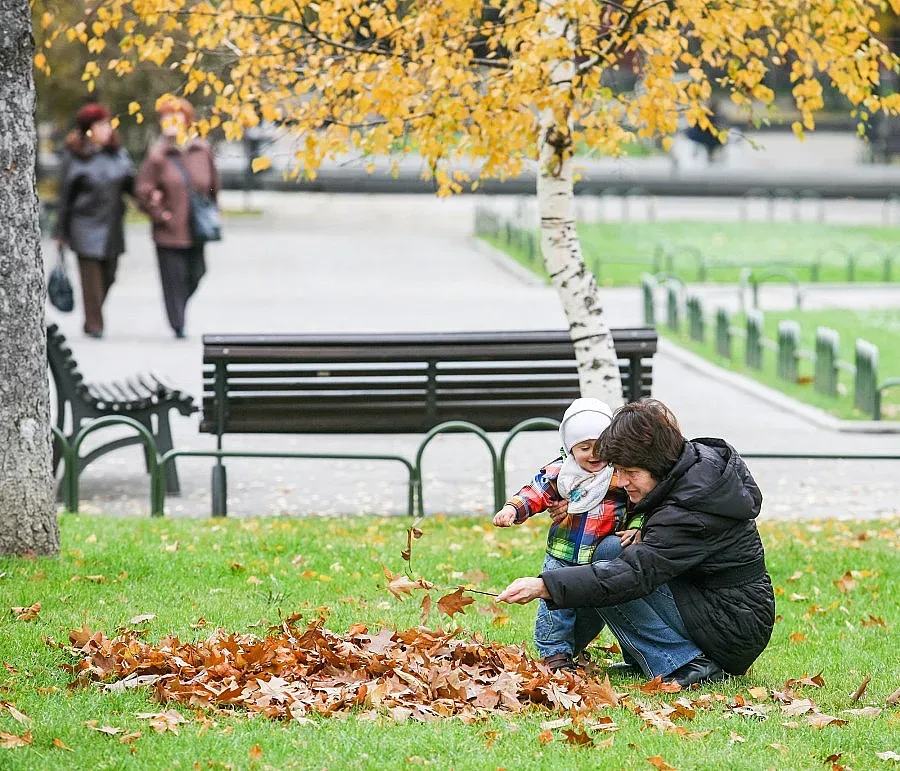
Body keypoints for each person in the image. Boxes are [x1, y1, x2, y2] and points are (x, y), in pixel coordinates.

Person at [497, 398, 775, 688]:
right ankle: (638, 656)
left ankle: (684, 661)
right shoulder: (685, 469)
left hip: (732, 628)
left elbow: (634, 574)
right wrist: (576, 502)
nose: (622, 481)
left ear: (656, 464)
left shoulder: (691, 508)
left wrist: (546, 585)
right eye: (619, 471)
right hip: (723, 605)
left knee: (613, 570)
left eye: (631, 473)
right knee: (607, 550)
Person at [492, 398, 630, 671]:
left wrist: (635, 524)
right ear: (570, 448)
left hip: (603, 552)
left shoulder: (617, 474)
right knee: (556, 605)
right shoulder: (561, 472)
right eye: (584, 448)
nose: (594, 454)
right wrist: (513, 508)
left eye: (601, 446)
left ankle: (618, 651)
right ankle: (554, 653)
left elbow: (638, 503)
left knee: (607, 604)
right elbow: (535, 491)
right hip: (564, 551)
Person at [136, 96, 218, 339]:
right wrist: (160, 213)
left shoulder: (201, 150)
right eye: (165, 117)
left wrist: (214, 212)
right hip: (169, 229)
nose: (170, 121)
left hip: (197, 227)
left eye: (175, 116)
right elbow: (142, 190)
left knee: (198, 271)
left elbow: (214, 185)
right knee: (173, 279)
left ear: (187, 120)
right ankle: (178, 323)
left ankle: (179, 307)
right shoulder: (157, 157)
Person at [53, 102, 135, 338]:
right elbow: (65, 197)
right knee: (91, 280)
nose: (107, 129)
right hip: (84, 225)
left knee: (109, 275)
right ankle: (94, 325)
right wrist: (60, 232)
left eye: (107, 124)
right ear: (88, 129)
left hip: (111, 226)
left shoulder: (118, 154)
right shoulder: (75, 156)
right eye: (101, 125)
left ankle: (94, 312)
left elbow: (131, 185)